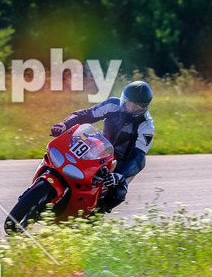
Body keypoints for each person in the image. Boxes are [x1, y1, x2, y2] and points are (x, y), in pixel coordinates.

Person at [49, 80, 155, 213]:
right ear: (124, 99)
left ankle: (95, 216)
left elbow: (139, 157)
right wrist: (64, 124)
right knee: (69, 151)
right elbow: (85, 114)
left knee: (118, 193)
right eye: (129, 103)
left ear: (145, 107)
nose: (131, 108)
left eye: (137, 106)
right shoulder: (112, 104)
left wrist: (120, 175)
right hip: (100, 147)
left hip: (122, 162)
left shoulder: (147, 125)